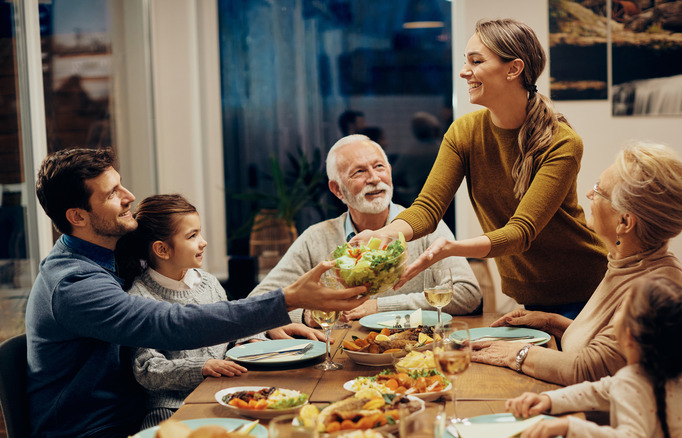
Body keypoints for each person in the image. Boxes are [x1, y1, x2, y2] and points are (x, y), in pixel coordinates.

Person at [26, 148, 368, 438]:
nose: (129, 196)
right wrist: (287, 299)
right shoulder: (73, 284)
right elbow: (171, 324)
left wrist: (264, 326)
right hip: (99, 430)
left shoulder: (112, 257)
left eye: (121, 184)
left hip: (137, 415)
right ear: (78, 216)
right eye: (112, 193)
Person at [352, 18, 608, 319]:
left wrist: (452, 248)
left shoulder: (562, 142)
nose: (464, 71)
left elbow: (520, 232)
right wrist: (388, 233)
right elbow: (428, 208)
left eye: (476, 61)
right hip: (530, 293)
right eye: (466, 61)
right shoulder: (465, 132)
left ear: (513, 69)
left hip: (588, 290)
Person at [470, 142, 682, 386]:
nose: (590, 194)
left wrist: (513, 354)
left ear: (624, 222)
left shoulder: (656, 292)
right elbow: (611, 350)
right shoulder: (628, 263)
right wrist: (550, 322)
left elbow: (590, 369)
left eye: (599, 190)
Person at [115, 194, 319, 429]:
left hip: (224, 394)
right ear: (162, 249)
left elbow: (232, 328)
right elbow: (147, 369)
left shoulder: (208, 283)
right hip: (172, 409)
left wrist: (248, 340)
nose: (203, 242)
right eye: (192, 236)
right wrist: (202, 368)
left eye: (199, 233)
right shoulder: (138, 297)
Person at [249, 134, 481, 323]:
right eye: (359, 172)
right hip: (341, 356)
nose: (374, 178)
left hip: (415, 352)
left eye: (379, 167)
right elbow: (259, 301)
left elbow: (468, 294)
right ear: (337, 189)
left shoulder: (425, 227)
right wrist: (306, 315)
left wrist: (377, 306)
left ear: (390, 172)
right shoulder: (315, 238)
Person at [506, 276, 682, 438]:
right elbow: (600, 390)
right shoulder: (678, 374)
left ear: (629, 335)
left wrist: (570, 426)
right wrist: (548, 399)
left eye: (622, 309)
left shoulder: (635, 382)